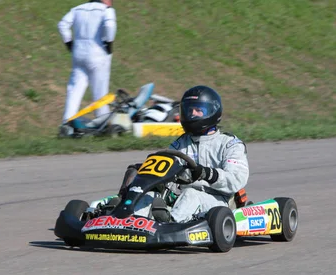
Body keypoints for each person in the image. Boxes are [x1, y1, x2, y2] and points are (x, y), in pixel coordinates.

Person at [118, 85, 250, 223]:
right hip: (180, 198)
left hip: (219, 200)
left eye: (198, 110)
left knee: (191, 194)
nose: (192, 114)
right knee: (151, 195)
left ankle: (170, 224)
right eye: (189, 110)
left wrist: (208, 173)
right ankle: (130, 222)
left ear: (212, 111)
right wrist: (147, 174)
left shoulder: (229, 144)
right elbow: (168, 169)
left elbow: (236, 179)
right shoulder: (180, 144)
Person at [57, 0, 116, 124]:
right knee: (100, 92)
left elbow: (62, 24)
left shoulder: (77, 9)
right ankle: (102, 123)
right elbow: (110, 26)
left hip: (78, 53)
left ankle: (66, 123)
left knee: (74, 89)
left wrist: (69, 43)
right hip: (98, 53)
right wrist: (109, 43)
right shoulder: (106, 10)